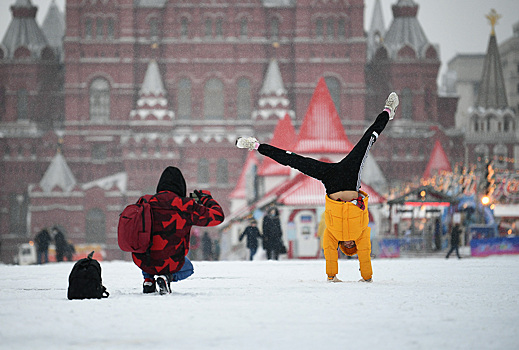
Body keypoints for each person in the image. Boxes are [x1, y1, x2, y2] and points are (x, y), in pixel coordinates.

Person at [236, 92, 399, 282]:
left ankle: (256, 145)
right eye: (349, 244)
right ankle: (388, 111)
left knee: (296, 161)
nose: (347, 242)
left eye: (345, 245)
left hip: (330, 180)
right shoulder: (361, 234)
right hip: (350, 176)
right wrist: (367, 277)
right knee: (368, 138)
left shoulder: (333, 235)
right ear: (353, 244)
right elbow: (365, 253)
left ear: (343, 246)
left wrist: (332, 276)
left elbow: (330, 251)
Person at [132, 166, 225, 294]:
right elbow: (218, 216)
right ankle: (166, 278)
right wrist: (206, 199)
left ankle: (148, 279)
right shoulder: (187, 206)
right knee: (188, 269)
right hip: (172, 260)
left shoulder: (146, 202)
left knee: (150, 249)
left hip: (145, 260)